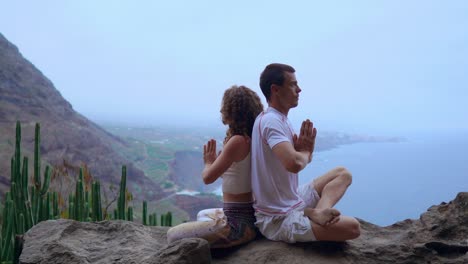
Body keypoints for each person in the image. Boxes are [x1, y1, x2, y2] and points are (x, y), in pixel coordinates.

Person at [251, 63, 361, 243]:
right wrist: (306, 153)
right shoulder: (271, 121)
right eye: (293, 84)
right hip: (277, 219)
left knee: (343, 174)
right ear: (275, 89)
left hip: (292, 201)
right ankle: (315, 215)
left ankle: (318, 213)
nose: (299, 89)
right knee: (353, 227)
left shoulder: (279, 119)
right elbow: (293, 164)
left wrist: (301, 152)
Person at [167, 85, 264, 248]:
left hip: (236, 223)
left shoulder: (238, 141)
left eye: (224, 106)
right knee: (202, 213)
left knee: (172, 235)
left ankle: (231, 236)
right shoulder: (253, 138)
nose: (221, 110)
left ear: (231, 111)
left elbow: (207, 178)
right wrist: (216, 163)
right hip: (248, 216)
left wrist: (209, 163)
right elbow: (234, 175)